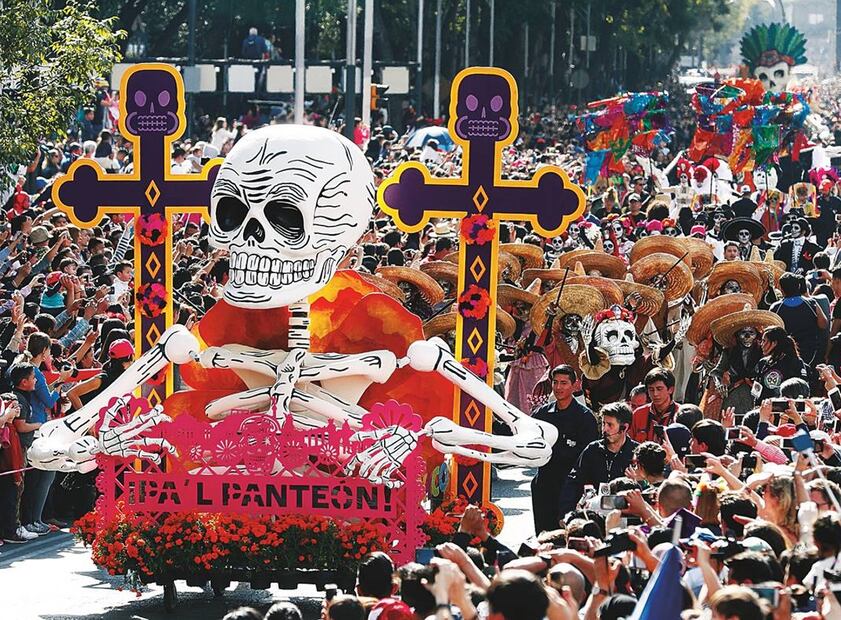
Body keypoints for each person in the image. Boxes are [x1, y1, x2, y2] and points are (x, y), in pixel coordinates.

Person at [530, 365, 598, 533]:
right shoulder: (542, 414)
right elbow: (524, 433)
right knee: (544, 535)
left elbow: (589, 456)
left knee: (570, 533)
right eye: (555, 382)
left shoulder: (585, 417)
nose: (558, 387)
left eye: (564, 383)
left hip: (571, 486)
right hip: (544, 483)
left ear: (574, 385)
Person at [17, 333, 71, 536]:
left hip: (37, 426)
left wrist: (56, 385)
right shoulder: (35, 372)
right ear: (44, 351)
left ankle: (35, 520)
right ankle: (33, 520)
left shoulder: (31, 370)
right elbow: (48, 400)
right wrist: (61, 381)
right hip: (37, 427)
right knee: (42, 476)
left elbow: (43, 395)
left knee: (40, 477)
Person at [558, 402, 638, 517]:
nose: (605, 429)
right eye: (603, 424)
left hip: (624, 516)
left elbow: (649, 489)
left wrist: (637, 481)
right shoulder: (593, 449)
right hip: (593, 514)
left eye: (610, 425)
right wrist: (566, 513)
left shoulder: (636, 453)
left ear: (624, 428)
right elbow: (573, 481)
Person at [770, 272, 827, 365]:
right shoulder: (811, 303)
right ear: (799, 286)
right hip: (811, 354)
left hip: (785, 357)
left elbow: (770, 334)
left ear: (781, 289)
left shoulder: (775, 308)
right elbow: (823, 324)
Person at [755, 326, 810, 401]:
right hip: (766, 405)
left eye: (764, 341)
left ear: (774, 343)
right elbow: (757, 389)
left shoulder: (794, 362)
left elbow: (802, 388)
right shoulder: (763, 363)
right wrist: (757, 404)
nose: (761, 344)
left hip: (787, 405)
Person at [629, 368, 679, 443]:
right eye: (651, 390)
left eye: (659, 389)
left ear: (670, 390)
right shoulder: (638, 414)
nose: (655, 394)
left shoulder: (680, 413)